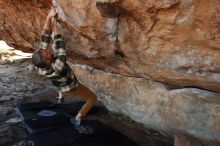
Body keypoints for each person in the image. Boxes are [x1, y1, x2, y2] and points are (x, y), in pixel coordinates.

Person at [32, 8, 97, 126]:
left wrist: (48, 17)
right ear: (47, 62)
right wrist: (55, 23)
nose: (48, 51)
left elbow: (44, 37)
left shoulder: (39, 64)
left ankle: (60, 96)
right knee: (92, 98)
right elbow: (58, 42)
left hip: (59, 84)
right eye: (48, 54)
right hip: (71, 87)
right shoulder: (58, 67)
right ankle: (79, 116)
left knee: (59, 83)